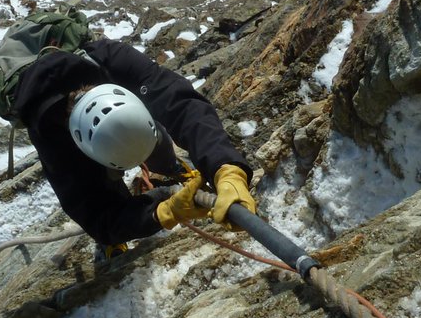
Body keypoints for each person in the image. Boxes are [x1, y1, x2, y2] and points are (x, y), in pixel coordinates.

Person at [13, 35, 256, 248]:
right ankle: (119, 226)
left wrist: (226, 167)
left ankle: (172, 168)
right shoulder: (51, 136)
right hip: (75, 145)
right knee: (103, 187)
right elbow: (94, 214)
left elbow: (181, 103)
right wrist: (162, 213)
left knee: (154, 142)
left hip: (116, 100)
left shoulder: (111, 59)